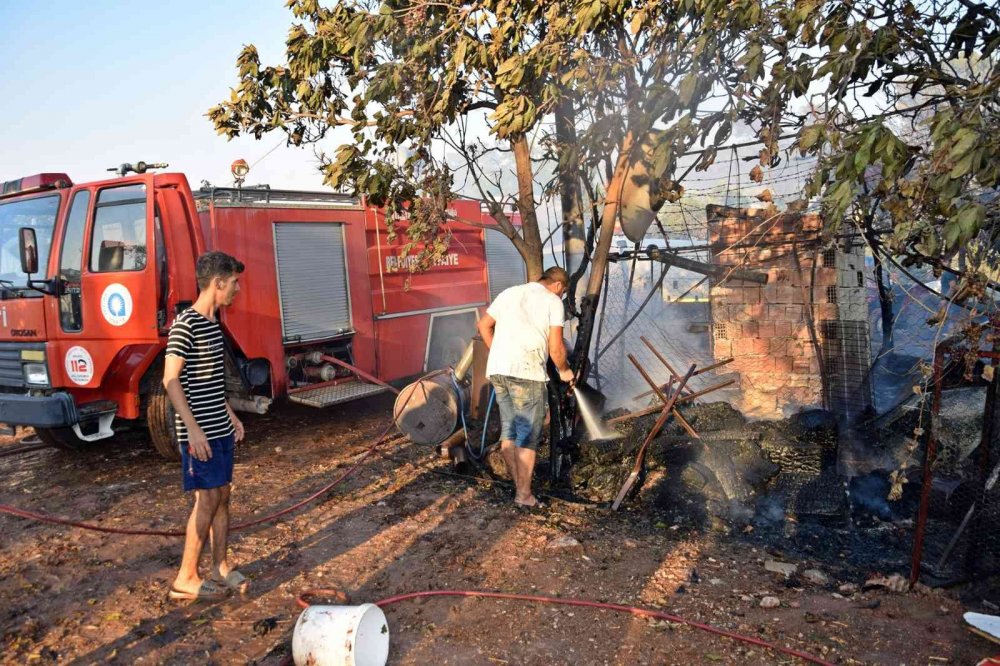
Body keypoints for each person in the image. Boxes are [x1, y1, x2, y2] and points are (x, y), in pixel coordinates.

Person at [165, 251, 247, 601]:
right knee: (208, 498)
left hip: (219, 426)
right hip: (200, 433)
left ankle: (221, 567)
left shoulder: (213, 324)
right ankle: (185, 577)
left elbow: (209, 383)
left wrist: (230, 414)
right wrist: (194, 430)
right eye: (234, 283)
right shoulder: (187, 323)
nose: (237, 289)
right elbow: (171, 380)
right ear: (217, 283)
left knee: (223, 494)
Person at [476, 266, 575, 509]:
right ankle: (524, 495)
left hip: (499, 370)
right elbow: (556, 349)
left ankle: (520, 487)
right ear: (559, 286)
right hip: (526, 373)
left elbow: (483, 326)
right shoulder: (553, 301)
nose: (560, 297)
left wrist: (500, 354)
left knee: (509, 431)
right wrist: (564, 371)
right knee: (527, 435)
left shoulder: (510, 292)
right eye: (562, 293)